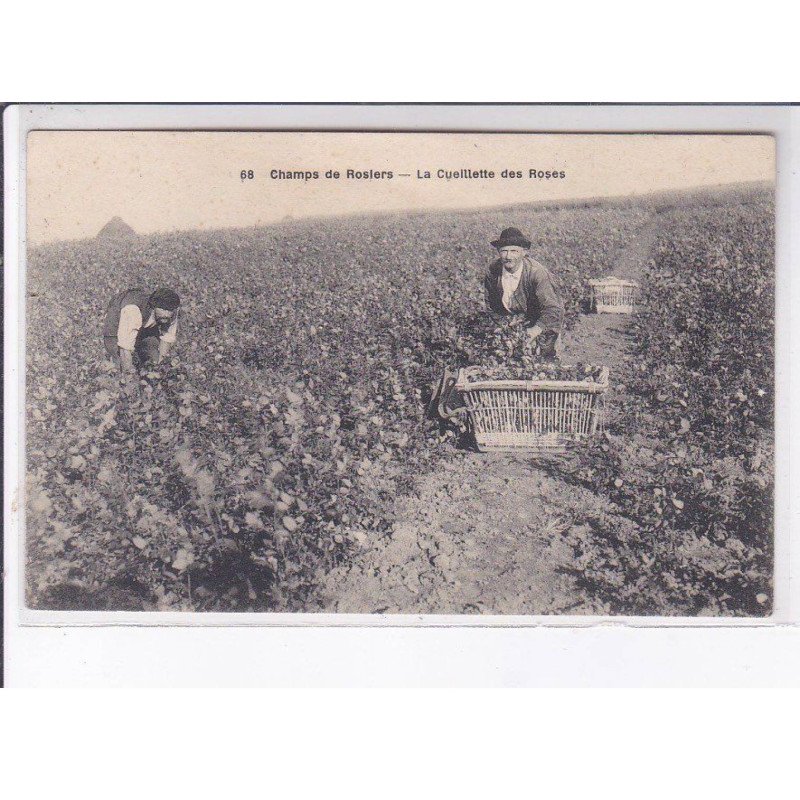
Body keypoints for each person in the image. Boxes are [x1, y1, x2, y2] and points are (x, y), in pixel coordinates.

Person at [483, 227, 564, 361]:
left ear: (524, 252)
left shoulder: (537, 273)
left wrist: (534, 331)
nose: (508, 256)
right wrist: (505, 329)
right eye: (504, 251)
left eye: (514, 251)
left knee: (543, 367)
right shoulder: (493, 271)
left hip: (541, 324)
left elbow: (553, 309)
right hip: (514, 324)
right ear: (498, 252)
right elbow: (492, 305)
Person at [102, 287, 180, 372]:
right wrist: (129, 378)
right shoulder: (133, 310)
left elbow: (166, 338)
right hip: (117, 322)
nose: (167, 314)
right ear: (154, 307)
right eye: (163, 309)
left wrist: (160, 367)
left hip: (146, 323)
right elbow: (125, 348)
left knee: (153, 356)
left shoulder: (172, 313)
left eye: (170, 310)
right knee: (118, 364)